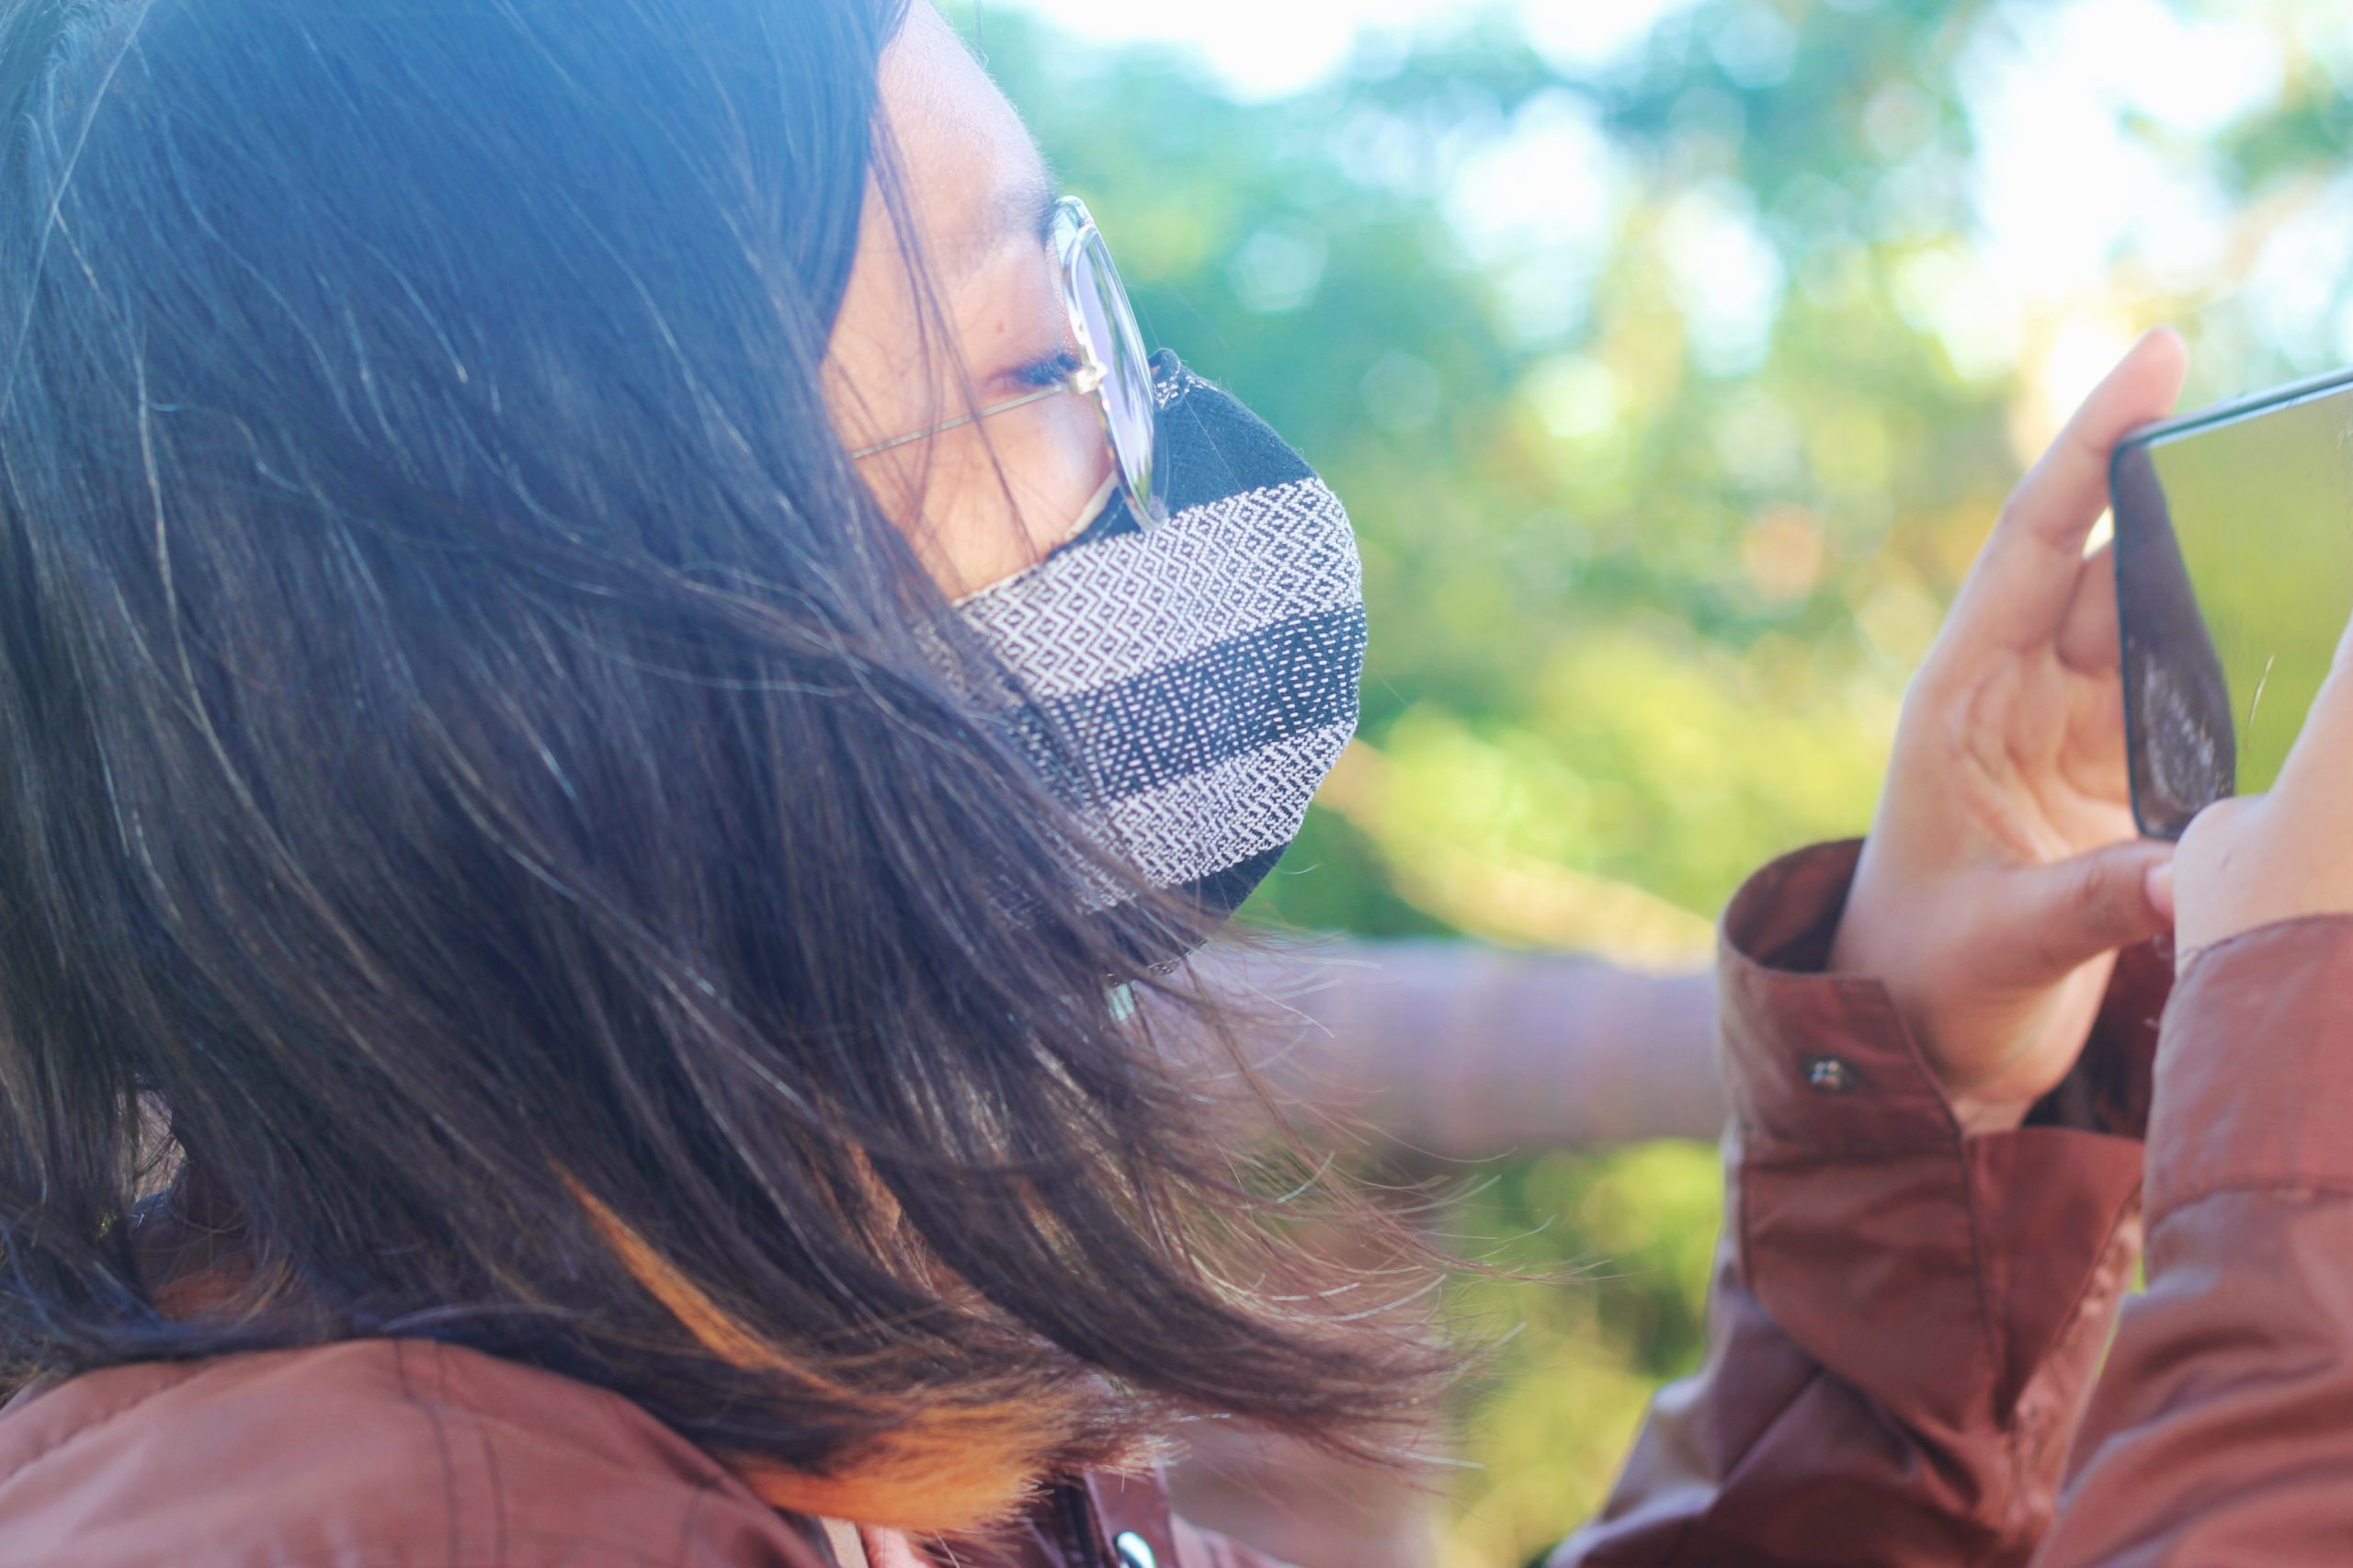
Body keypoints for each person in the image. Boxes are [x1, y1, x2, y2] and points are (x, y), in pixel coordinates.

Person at [0, 6, 2347, 1568]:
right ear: (578, 632)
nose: (1169, 468)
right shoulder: (418, 1532)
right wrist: (2297, 1166)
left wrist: (1924, 1079)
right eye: (1043, 367)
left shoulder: (761, 1415)